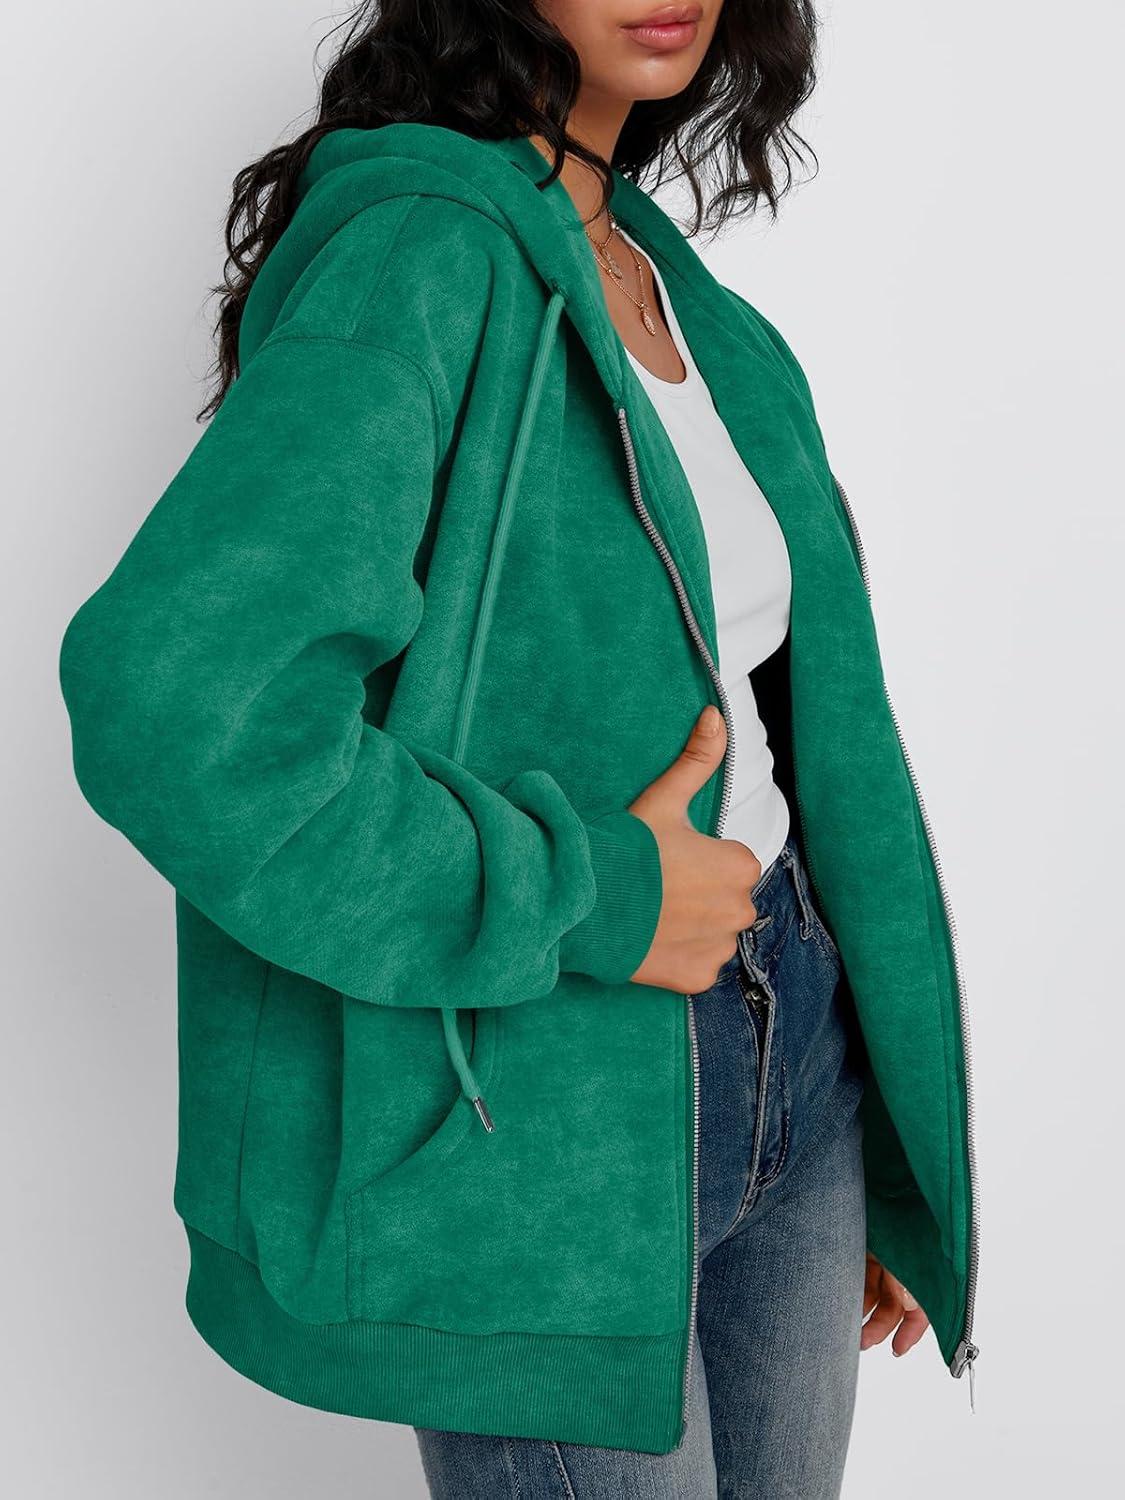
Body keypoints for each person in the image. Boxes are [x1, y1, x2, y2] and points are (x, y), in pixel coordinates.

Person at [57, 2, 979, 1495]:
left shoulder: (667, 287)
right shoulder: (421, 254)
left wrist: (870, 1138)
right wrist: (596, 893)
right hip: (546, 1103)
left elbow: (797, 722)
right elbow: (181, 707)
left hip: (791, 1043)